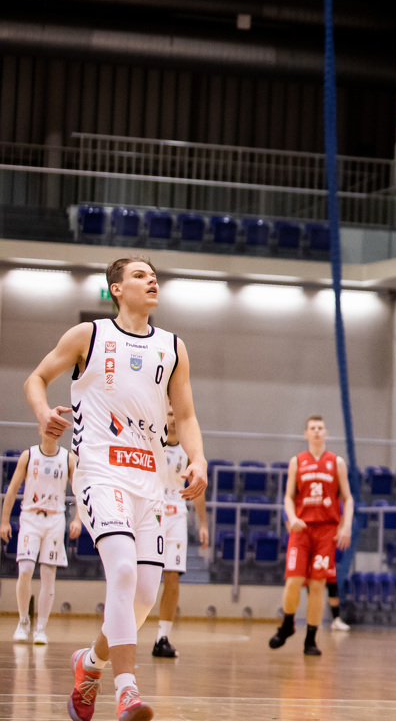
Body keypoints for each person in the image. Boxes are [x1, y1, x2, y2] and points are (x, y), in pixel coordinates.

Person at [24, 255, 207, 721]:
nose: (152, 281)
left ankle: (90, 664)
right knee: (122, 571)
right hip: (100, 472)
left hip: (150, 482)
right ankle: (127, 691)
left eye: (154, 276)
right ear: (117, 289)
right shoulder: (88, 336)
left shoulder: (173, 347)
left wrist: (198, 458)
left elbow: (186, 416)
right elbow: (36, 378)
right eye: (140, 276)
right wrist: (43, 413)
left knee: (143, 597)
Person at [268, 414, 354, 656]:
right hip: (301, 529)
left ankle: (311, 639)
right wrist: (291, 517)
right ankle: (287, 624)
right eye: (312, 428)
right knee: (293, 580)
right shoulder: (297, 461)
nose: (316, 431)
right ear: (306, 434)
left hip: (326, 531)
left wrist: (346, 525)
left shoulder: (337, 462)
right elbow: (288, 497)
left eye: (320, 427)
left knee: (317, 585)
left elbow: (348, 498)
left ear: (326, 432)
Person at [1, 432, 82, 645]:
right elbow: (12, 489)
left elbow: (79, 492)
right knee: (25, 569)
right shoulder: (28, 456)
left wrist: (77, 519)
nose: (50, 430)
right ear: (40, 428)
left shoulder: (67, 458)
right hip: (30, 517)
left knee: (48, 574)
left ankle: (41, 629)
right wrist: (4, 521)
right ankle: (23, 621)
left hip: (55, 519)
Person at [151, 407, 209, 658]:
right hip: (151, 513)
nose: (173, 418)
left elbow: (197, 489)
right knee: (143, 577)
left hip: (176, 515)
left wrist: (203, 523)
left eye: (176, 413)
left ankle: (162, 638)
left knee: (172, 577)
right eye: (169, 413)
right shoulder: (152, 442)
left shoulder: (187, 451)